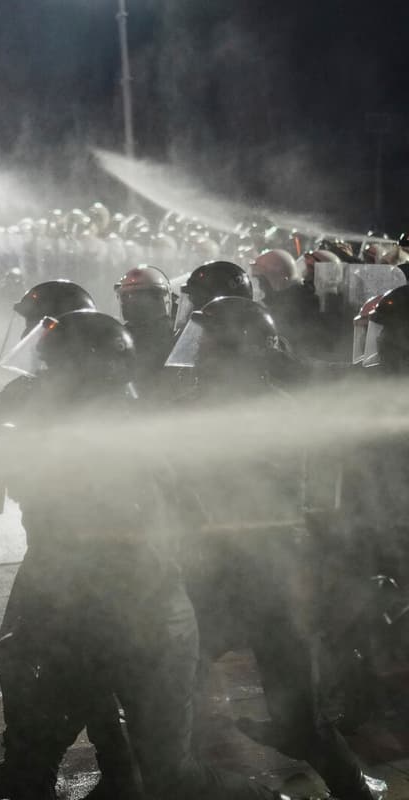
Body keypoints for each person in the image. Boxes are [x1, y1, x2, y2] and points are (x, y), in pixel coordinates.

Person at [0, 310, 292, 800]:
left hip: (148, 629)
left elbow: (128, 545)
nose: (45, 380)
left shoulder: (126, 437)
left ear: (93, 371)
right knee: (40, 736)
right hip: (92, 622)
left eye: (56, 369)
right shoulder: (71, 427)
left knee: (171, 777)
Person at [165, 296, 381, 800]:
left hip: (258, 577)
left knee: (287, 712)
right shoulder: (225, 404)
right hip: (244, 574)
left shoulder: (261, 410)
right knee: (180, 686)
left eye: (212, 342)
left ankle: (350, 788)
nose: (201, 352)